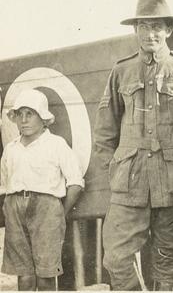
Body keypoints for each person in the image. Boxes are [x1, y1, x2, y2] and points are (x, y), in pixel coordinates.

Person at [90, 0, 173, 290]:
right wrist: (118, 167)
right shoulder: (121, 71)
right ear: (135, 30)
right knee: (116, 258)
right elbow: (104, 131)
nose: (151, 33)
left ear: (169, 30)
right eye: (144, 26)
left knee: (166, 260)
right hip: (130, 185)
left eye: (157, 26)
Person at [1, 89, 84, 291]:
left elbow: (75, 183)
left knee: (46, 275)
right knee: (24, 275)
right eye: (20, 114)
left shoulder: (56, 144)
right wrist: (10, 209)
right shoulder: (11, 149)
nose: (24, 119)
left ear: (43, 118)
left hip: (47, 210)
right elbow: (4, 184)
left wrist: (59, 213)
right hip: (15, 209)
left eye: (30, 114)